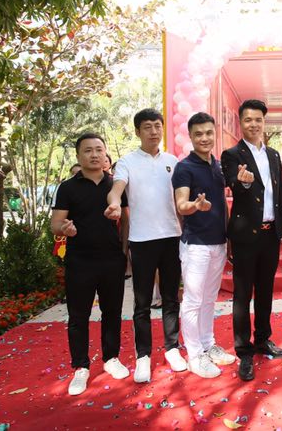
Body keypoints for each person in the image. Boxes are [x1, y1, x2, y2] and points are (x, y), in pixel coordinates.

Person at [105, 109, 186, 383]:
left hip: (171, 237)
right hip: (141, 241)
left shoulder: (173, 162)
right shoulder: (127, 162)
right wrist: (114, 203)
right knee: (142, 303)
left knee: (171, 298)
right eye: (147, 127)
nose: (153, 131)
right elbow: (117, 188)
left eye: (157, 126)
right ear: (137, 131)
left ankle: (172, 348)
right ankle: (143, 356)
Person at [51, 133, 130, 396]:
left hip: (111, 259)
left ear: (105, 154)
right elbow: (55, 224)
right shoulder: (68, 188)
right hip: (79, 260)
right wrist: (65, 229)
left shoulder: (116, 185)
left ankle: (111, 358)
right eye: (88, 150)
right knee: (78, 316)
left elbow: (126, 221)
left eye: (98, 149)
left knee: (112, 311)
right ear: (78, 155)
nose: (94, 155)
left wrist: (124, 252)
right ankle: (81, 366)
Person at [221, 99, 282, 381]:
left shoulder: (273, 155)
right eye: (248, 119)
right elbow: (233, 184)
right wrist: (244, 181)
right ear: (240, 122)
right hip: (245, 235)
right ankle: (244, 350)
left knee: (265, 290)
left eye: (258, 119)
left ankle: (263, 339)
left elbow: (279, 192)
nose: (253, 124)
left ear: (264, 122)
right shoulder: (231, 154)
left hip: (270, 233)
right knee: (242, 294)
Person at [172, 112, 235, 378]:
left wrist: (228, 237)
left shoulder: (218, 166)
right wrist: (195, 206)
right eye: (198, 134)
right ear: (190, 136)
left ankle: (208, 345)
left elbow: (223, 205)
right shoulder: (184, 168)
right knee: (193, 300)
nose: (204, 138)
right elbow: (181, 204)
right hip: (196, 244)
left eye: (209, 133)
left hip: (218, 242)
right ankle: (195, 354)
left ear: (214, 133)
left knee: (210, 298)